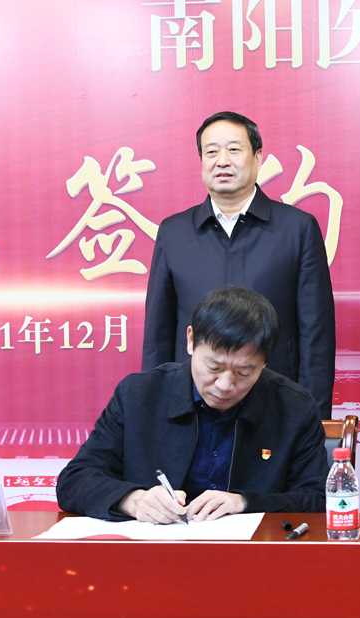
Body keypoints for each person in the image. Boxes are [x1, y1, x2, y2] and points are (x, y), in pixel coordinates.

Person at [58, 287, 328, 522]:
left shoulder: (295, 408)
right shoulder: (139, 396)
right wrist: (133, 500)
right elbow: (74, 480)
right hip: (155, 555)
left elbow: (318, 498)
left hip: (253, 557)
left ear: (265, 362)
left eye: (244, 372)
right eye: (213, 366)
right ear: (190, 340)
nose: (224, 384)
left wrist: (245, 502)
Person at [142, 111, 336, 419]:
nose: (222, 161)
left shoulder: (297, 229)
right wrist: (154, 408)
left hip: (276, 402)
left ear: (257, 158)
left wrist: (314, 416)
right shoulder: (173, 232)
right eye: (211, 152)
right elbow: (158, 333)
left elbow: (317, 334)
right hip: (191, 402)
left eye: (234, 150)